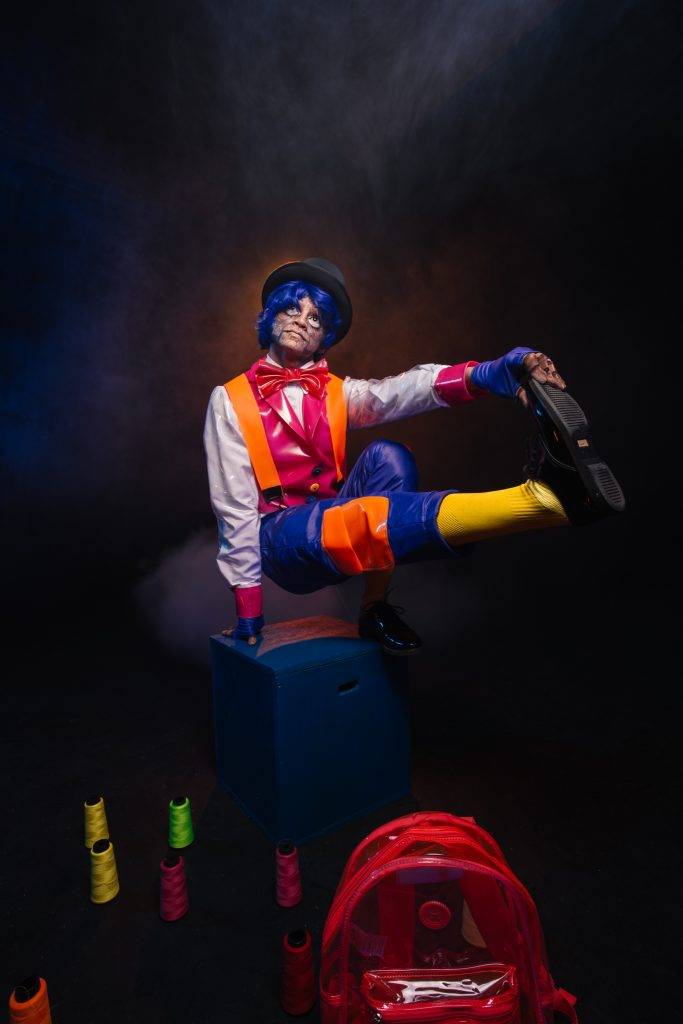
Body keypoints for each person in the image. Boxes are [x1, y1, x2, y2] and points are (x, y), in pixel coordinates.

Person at [204, 257, 624, 653]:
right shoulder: (229, 399)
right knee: (364, 513)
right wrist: (248, 614)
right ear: (271, 315)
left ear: (323, 338)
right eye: (292, 308)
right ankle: (541, 501)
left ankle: (374, 608)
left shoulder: (335, 391)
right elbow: (234, 510)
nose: (301, 320)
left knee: (390, 457)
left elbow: (402, 391)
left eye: (315, 318)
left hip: (335, 526)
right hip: (280, 542)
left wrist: (490, 372)